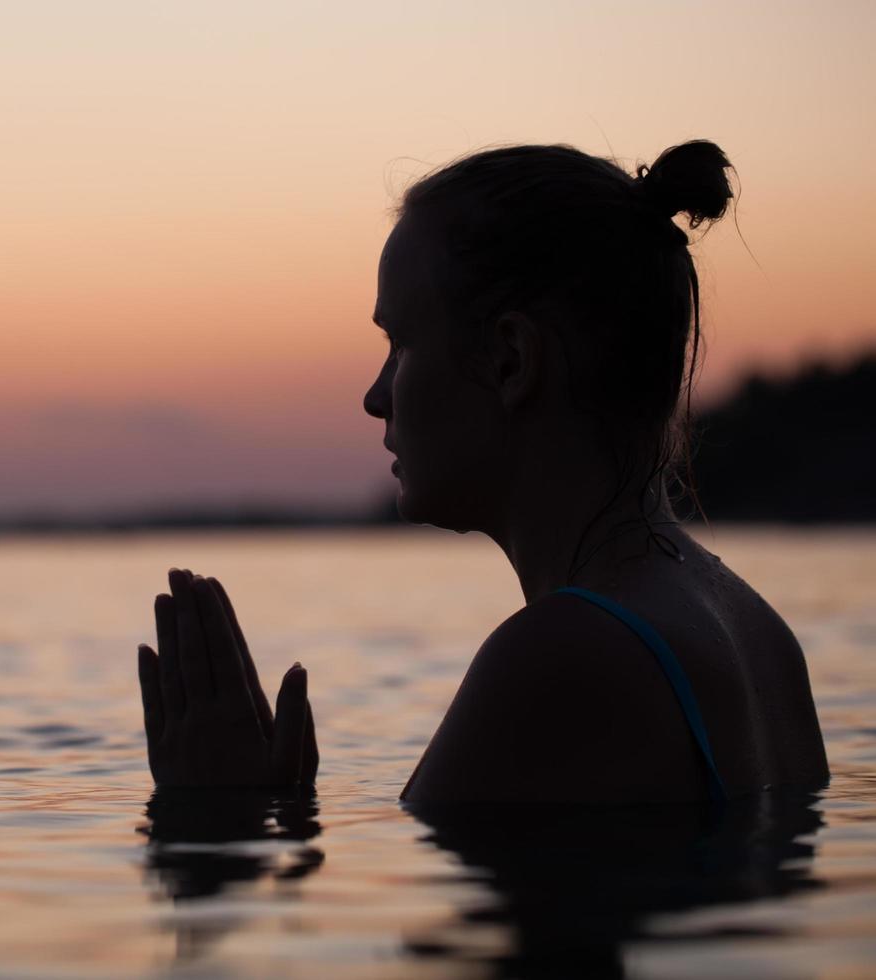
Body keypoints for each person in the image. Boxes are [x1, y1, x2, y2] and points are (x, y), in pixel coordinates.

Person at [136, 140, 829, 803]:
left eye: (400, 344)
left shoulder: (559, 657)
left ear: (510, 362)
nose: (375, 397)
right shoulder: (760, 633)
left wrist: (219, 817)